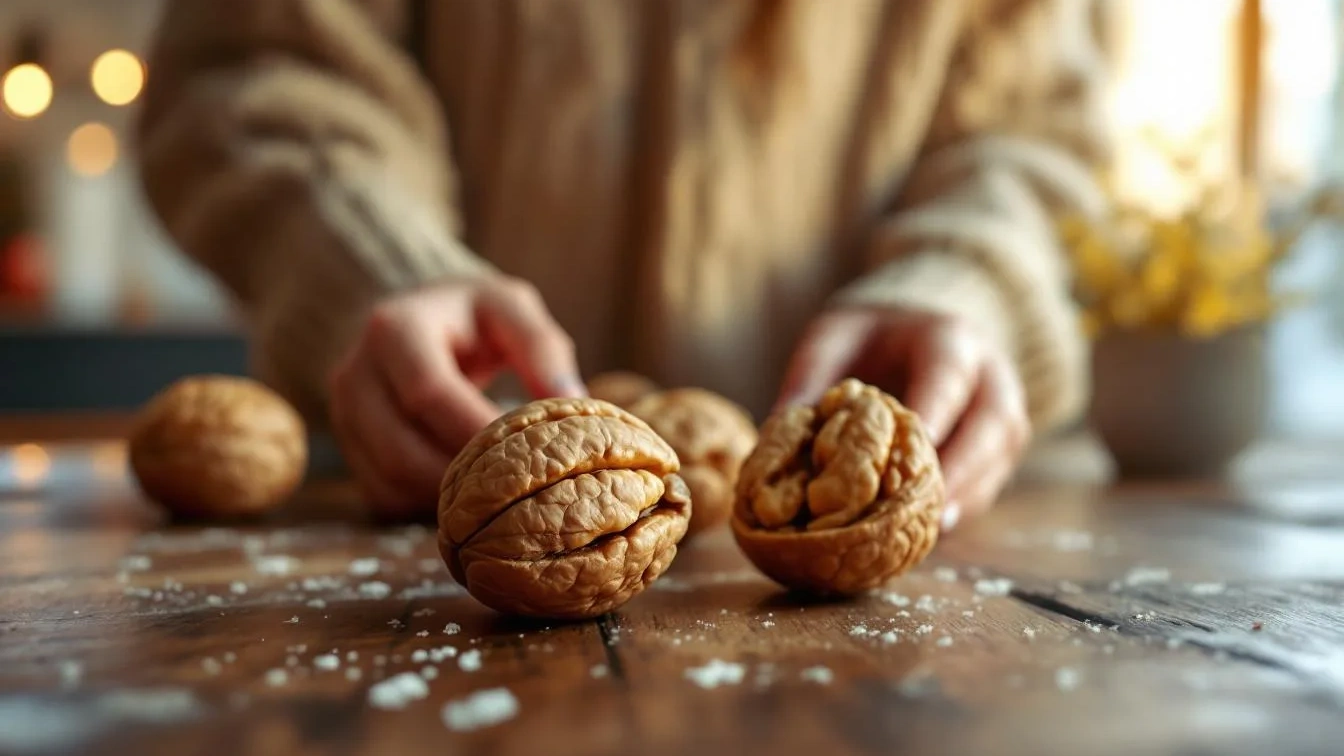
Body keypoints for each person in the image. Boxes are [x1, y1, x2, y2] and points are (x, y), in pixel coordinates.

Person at [135, 0, 1109, 526]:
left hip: (863, 509)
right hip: (421, 493)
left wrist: (968, 275)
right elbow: (256, 56)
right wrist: (370, 257)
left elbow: (1034, 133)